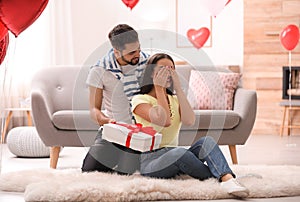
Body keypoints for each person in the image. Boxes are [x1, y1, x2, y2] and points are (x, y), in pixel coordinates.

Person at [131, 53, 249, 198]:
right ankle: (223, 176)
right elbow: (165, 121)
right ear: (151, 73)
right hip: (151, 160)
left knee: (206, 142)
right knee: (179, 153)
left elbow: (189, 120)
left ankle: (227, 179)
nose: (167, 73)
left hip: (176, 155)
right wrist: (159, 89)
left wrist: (179, 90)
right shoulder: (139, 100)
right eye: (162, 69)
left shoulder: (173, 98)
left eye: (171, 69)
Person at [81, 24, 149, 174]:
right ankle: (118, 155)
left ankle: (127, 159)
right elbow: (94, 109)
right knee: (89, 169)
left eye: (139, 49)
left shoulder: (148, 63)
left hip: (141, 132)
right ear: (116, 52)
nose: (137, 54)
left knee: (127, 171)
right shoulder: (99, 70)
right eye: (132, 52)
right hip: (115, 130)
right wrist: (106, 121)